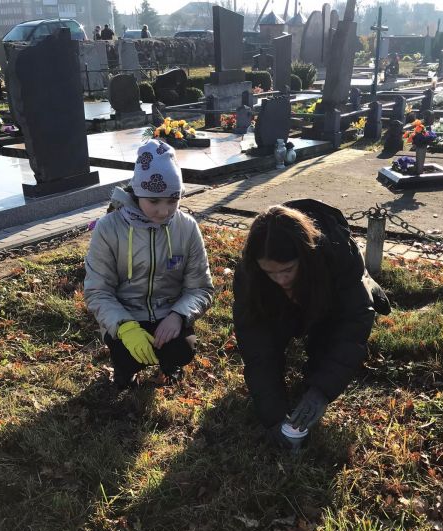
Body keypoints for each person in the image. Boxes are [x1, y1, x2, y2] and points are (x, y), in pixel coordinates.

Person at [232, 199, 389, 449]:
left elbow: (350, 329)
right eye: (270, 272)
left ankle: (369, 288)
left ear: (304, 257)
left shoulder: (338, 253)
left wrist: (321, 390)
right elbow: (256, 344)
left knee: (327, 337)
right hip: (289, 306)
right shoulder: (250, 274)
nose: (280, 279)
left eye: (287, 270)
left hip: (329, 294)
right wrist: (273, 415)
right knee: (271, 330)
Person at [84, 139, 214, 389]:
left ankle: (169, 365)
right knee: (126, 354)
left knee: (181, 350)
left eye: (172, 200)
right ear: (137, 193)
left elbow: (200, 287)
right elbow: (97, 291)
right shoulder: (109, 228)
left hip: (169, 312)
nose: (164, 211)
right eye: (154, 201)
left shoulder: (187, 227)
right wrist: (125, 326)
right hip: (126, 314)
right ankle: (125, 370)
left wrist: (179, 315)